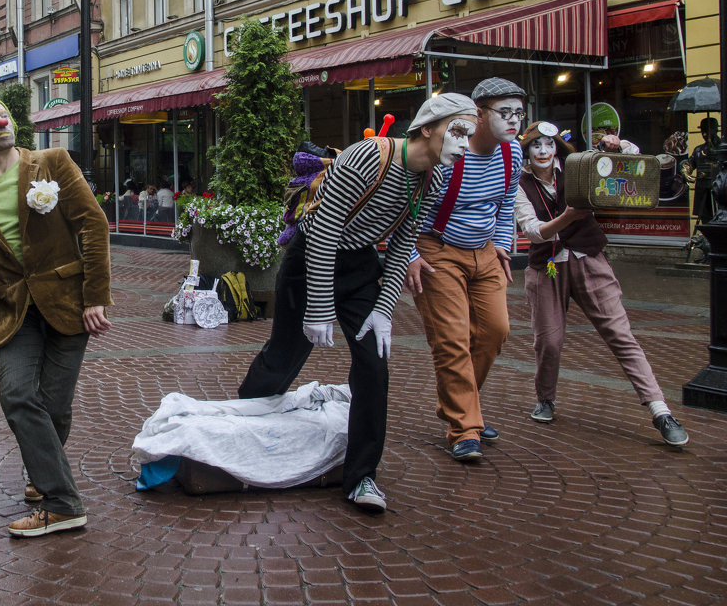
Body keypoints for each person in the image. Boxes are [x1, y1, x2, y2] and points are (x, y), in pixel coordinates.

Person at [239, 94, 479, 513]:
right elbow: (325, 227)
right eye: (457, 131)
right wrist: (317, 308)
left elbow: (405, 241)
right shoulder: (368, 157)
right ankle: (241, 423)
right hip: (311, 256)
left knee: (374, 364)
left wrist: (384, 309)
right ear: (427, 128)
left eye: (470, 135)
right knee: (285, 355)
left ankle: (361, 476)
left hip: (360, 263)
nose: (464, 144)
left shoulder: (436, 177)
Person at [0, 96, 112, 537]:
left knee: (54, 405)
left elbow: (93, 224)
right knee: (17, 394)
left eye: (2, 113)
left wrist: (96, 297)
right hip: (14, 310)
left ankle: (46, 483)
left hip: (69, 301)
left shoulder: (52, 162)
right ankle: (62, 500)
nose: (1, 119)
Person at [514, 121, 689, 446]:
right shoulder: (520, 185)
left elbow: (628, 162)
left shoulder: (577, 169)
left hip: (588, 259)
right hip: (547, 267)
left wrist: (618, 146)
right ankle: (546, 398)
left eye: (548, 145)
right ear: (527, 151)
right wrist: (569, 215)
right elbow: (534, 231)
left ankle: (660, 410)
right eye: (535, 145)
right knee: (549, 342)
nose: (542, 151)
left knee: (620, 334)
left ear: (556, 149)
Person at [405, 77, 525, 463]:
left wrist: (505, 246)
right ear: (480, 114)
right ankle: (464, 427)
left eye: (519, 114)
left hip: (486, 251)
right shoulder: (450, 152)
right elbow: (407, 210)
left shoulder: (512, 153)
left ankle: (459, 406)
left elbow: (506, 204)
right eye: (504, 113)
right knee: (452, 338)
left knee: (495, 331)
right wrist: (410, 256)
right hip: (437, 250)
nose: (514, 122)